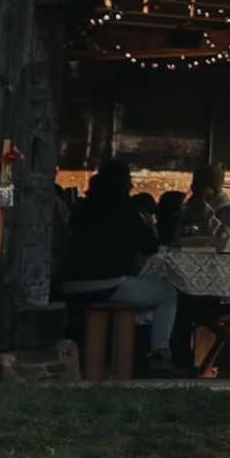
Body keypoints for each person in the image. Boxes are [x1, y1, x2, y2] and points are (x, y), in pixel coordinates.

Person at [55, 158, 179, 373]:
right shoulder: (127, 211)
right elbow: (151, 247)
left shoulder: (82, 208)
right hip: (108, 284)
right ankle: (160, 353)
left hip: (69, 285)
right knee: (167, 292)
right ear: (123, 183)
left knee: (135, 292)